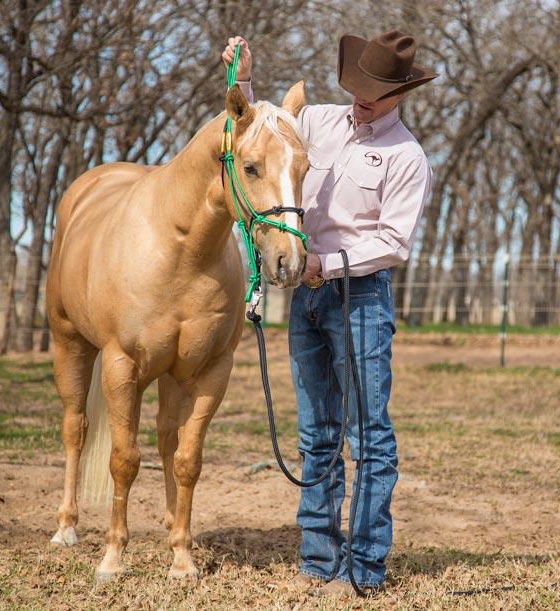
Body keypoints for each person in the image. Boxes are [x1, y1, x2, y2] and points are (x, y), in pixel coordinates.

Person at [222, 30, 436, 596]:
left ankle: (363, 567)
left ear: (400, 95)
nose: (362, 98)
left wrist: (327, 263)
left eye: (376, 92)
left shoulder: (407, 157)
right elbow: (259, 131)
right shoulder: (316, 122)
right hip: (308, 297)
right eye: (358, 86)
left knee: (369, 438)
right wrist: (244, 79)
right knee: (316, 435)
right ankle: (318, 561)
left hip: (359, 298)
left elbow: (393, 244)